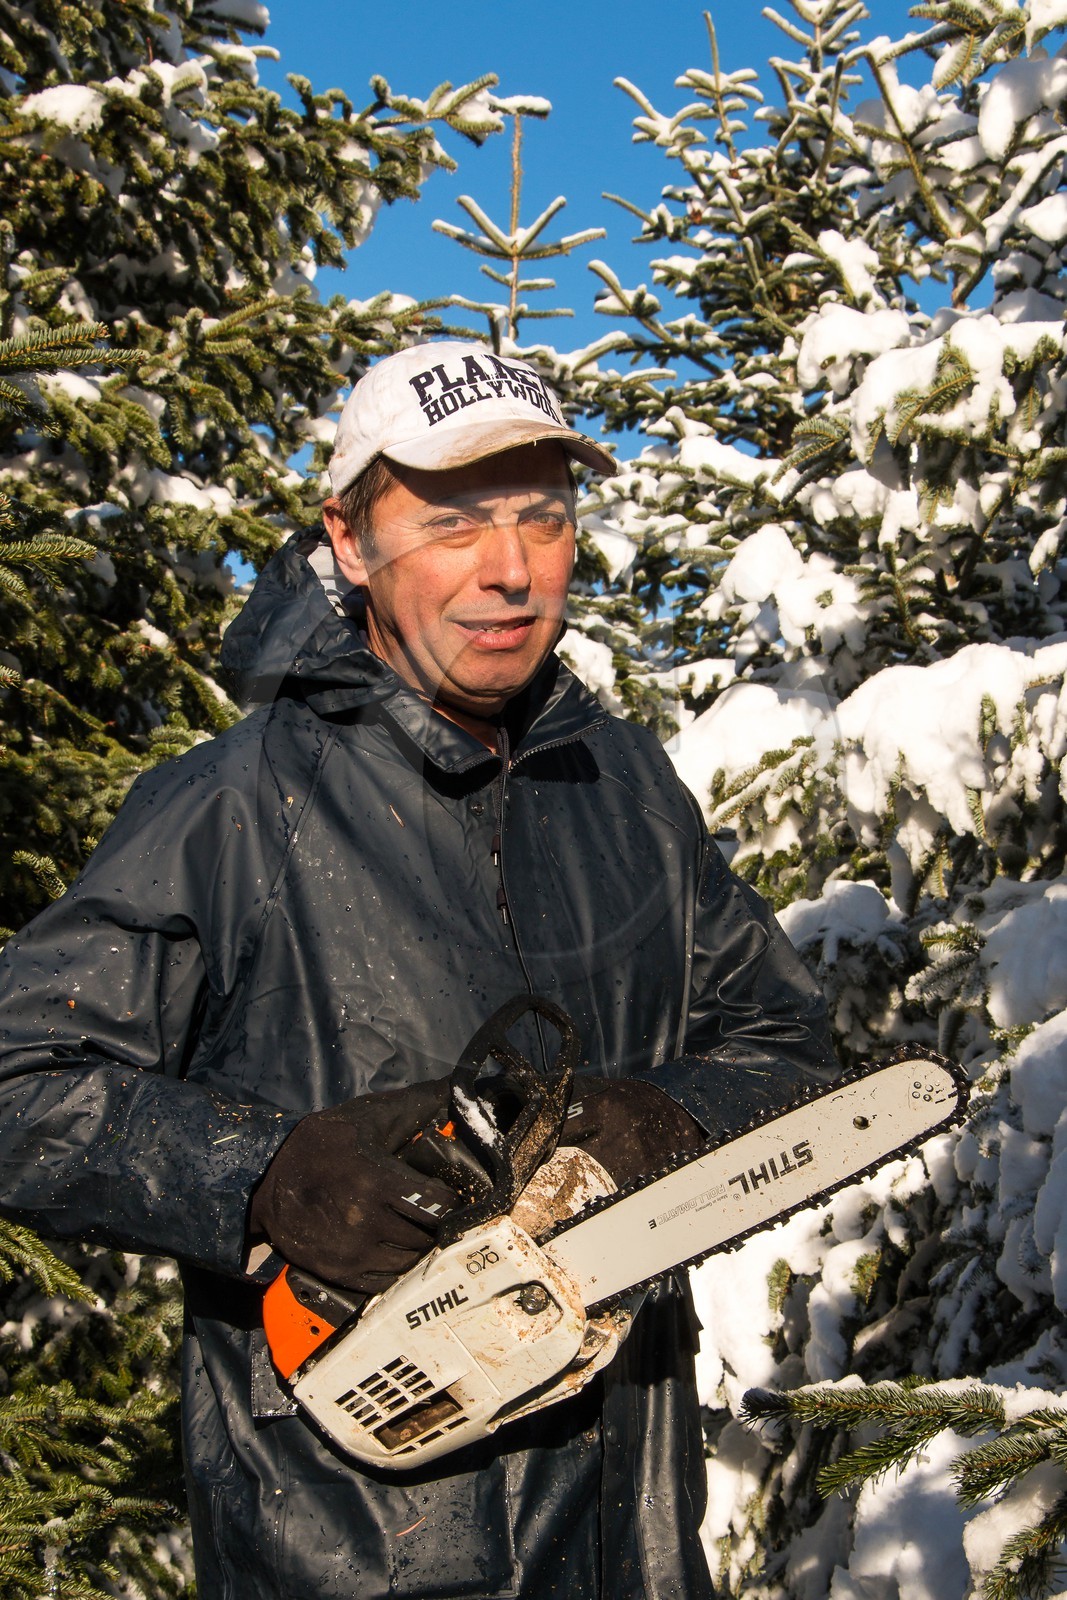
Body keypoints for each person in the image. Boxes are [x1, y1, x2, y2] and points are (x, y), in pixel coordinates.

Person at [0, 341, 837, 1599]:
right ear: (348, 540)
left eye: (542, 516)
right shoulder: (239, 805)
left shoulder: (625, 791)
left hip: (626, 1533)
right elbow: (20, 1077)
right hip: (343, 1538)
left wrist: (657, 1118)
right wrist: (262, 1172)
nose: (510, 568)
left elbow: (786, 1050)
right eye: (450, 520)